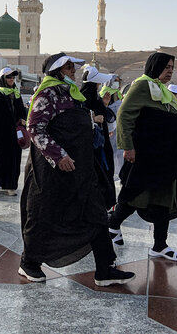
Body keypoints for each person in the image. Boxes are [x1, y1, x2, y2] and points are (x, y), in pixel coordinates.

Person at [21, 52, 135, 286]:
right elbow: (35, 128)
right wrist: (58, 155)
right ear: (56, 71)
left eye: (73, 67)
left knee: (95, 212)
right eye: (69, 68)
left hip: (81, 168)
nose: (74, 71)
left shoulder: (71, 94)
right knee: (44, 215)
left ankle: (105, 268)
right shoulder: (47, 93)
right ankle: (29, 262)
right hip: (53, 171)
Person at [110, 52, 177, 261]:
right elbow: (124, 114)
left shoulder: (163, 91)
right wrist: (127, 146)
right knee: (136, 193)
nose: (170, 71)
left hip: (166, 156)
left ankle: (159, 245)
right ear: (155, 66)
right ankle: (113, 224)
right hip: (147, 154)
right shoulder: (142, 85)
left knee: (164, 197)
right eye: (166, 67)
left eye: (172, 67)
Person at [0, 67, 27, 196]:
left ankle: (10, 185)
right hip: (0, 132)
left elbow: (21, 111)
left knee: (13, 159)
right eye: (8, 77)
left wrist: (23, 119)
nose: (11, 80)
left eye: (13, 77)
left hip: (14, 133)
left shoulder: (16, 93)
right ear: (2, 79)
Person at [80, 65, 116, 209]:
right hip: (91, 150)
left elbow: (108, 118)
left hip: (101, 146)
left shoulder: (96, 99)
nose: (99, 86)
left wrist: (104, 105)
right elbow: (76, 120)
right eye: (97, 83)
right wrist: (92, 120)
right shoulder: (81, 100)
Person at [101, 76, 124, 177]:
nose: (117, 84)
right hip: (109, 128)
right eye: (115, 81)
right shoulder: (104, 93)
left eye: (118, 82)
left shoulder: (117, 94)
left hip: (118, 127)